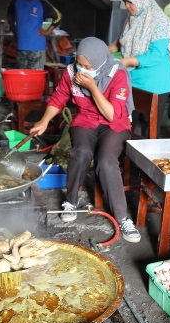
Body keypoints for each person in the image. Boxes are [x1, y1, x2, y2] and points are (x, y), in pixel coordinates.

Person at [28, 37, 141, 243]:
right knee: (81, 152)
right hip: (86, 120)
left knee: (106, 162)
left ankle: (123, 218)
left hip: (114, 124)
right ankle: (71, 201)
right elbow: (59, 97)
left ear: (99, 62)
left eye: (88, 66)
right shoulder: (71, 71)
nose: (82, 69)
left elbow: (111, 115)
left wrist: (93, 87)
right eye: (80, 63)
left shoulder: (117, 73)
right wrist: (44, 121)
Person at [109, 0, 170, 138]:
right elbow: (123, 40)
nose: (127, 6)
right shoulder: (134, 17)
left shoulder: (159, 21)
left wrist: (127, 61)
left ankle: (144, 162)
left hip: (155, 83)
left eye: (130, 2)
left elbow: (156, 55)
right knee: (128, 122)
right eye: (125, 2)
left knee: (149, 130)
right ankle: (125, 159)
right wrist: (105, 50)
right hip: (133, 79)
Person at [6, 0, 61, 70]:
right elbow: (9, 15)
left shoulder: (42, 3)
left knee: (37, 80)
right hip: (21, 48)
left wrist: (47, 31)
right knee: (23, 79)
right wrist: (14, 30)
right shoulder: (16, 1)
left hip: (37, 49)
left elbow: (59, 17)